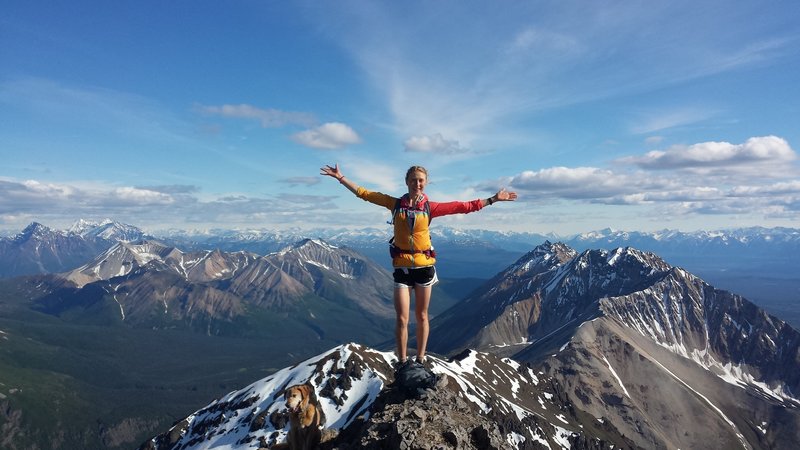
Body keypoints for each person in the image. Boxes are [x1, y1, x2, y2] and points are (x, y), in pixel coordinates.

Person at [320, 164, 517, 367]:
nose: (417, 183)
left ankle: (420, 359)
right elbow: (365, 194)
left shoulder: (431, 207)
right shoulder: (395, 204)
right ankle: (403, 361)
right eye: (413, 180)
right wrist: (340, 178)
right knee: (402, 319)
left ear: (426, 182)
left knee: (422, 316)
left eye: (421, 180)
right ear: (407, 182)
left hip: (423, 269)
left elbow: (464, 206)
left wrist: (493, 199)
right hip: (402, 269)